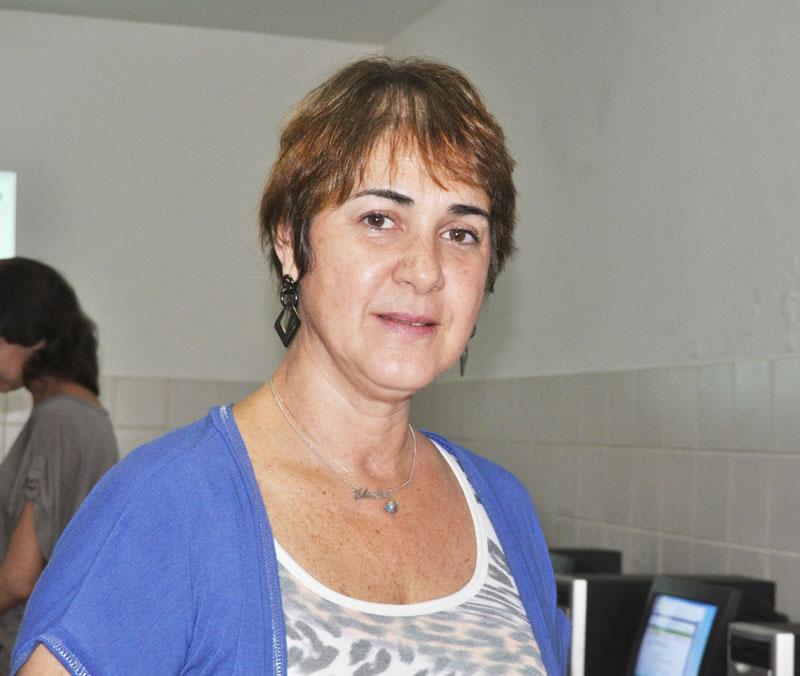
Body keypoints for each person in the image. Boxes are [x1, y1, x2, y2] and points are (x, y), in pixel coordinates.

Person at [14, 57, 570, 675]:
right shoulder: (167, 504)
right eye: (380, 219)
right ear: (290, 242)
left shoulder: (502, 507)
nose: (425, 270)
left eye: (461, 232)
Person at [0, 258, 118, 675]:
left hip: (24, 653)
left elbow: (19, 578)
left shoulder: (61, 419)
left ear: (35, 336)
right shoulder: (75, 415)